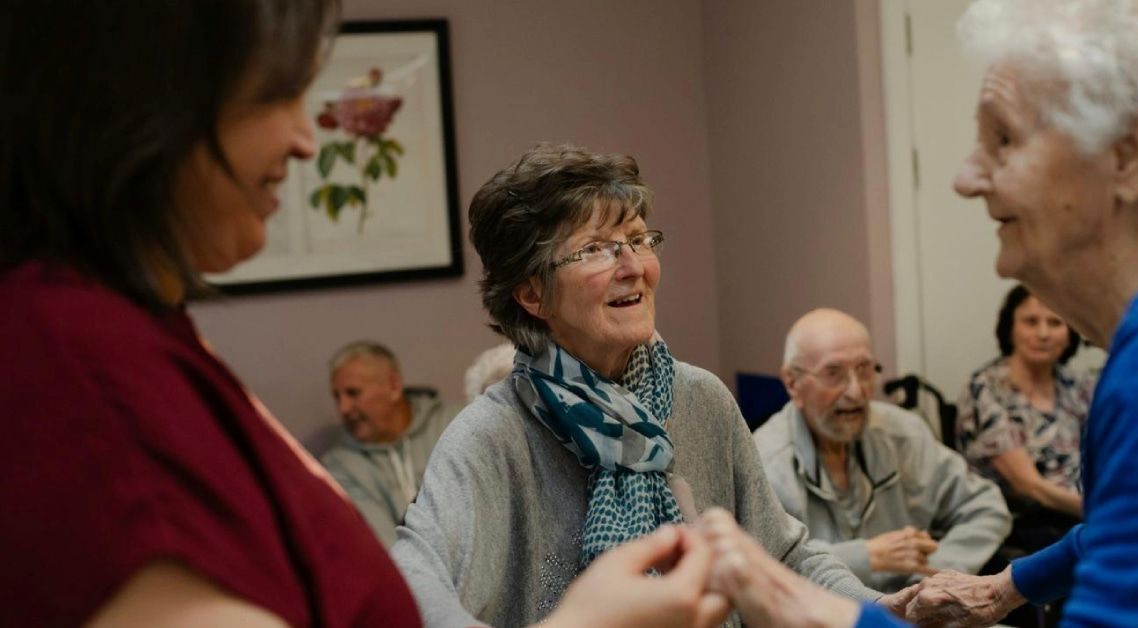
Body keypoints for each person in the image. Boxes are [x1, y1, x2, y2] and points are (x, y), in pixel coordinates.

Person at [0, 3, 733, 628]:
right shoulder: (72, 375)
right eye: (275, 94)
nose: (305, 137)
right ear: (149, 103)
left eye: (638, 241)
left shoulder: (148, 336)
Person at [701, 1, 1138, 627]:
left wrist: (804, 605)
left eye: (1004, 138)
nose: (966, 178)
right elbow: (1134, 526)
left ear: (1127, 157)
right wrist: (1006, 587)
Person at [391, 143, 897, 628]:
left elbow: (784, 556)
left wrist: (891, 611)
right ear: (532, 294)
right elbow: (411, 585)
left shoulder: (701, 398)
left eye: (638, 240)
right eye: (595, 250)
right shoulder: (492, 435)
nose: (634, 268)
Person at [757, 309, 1010, 593]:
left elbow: (986, 507)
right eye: (833, 374)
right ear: (792, 382)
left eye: (865, 369)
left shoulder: (904, 433)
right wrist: (864, 556)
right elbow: (760, 568)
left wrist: (933, 580)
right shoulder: (765, 462)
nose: (856, 392)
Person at [958, 285, 1092, 553]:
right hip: (1023, 524)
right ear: (1011, 328)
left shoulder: (1078, 385)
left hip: (1082, 514)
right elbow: (1030, 487)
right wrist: (1100, 512)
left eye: (1055, 323)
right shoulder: (985, 388)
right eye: (1031, 322)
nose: (1043, 334)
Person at [321, 340, 460, 546]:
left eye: (353, 393)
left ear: (394, 386)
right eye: (337, 397)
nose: (344, 408)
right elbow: (385, 550)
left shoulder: (455, 424)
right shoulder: (340, 467)